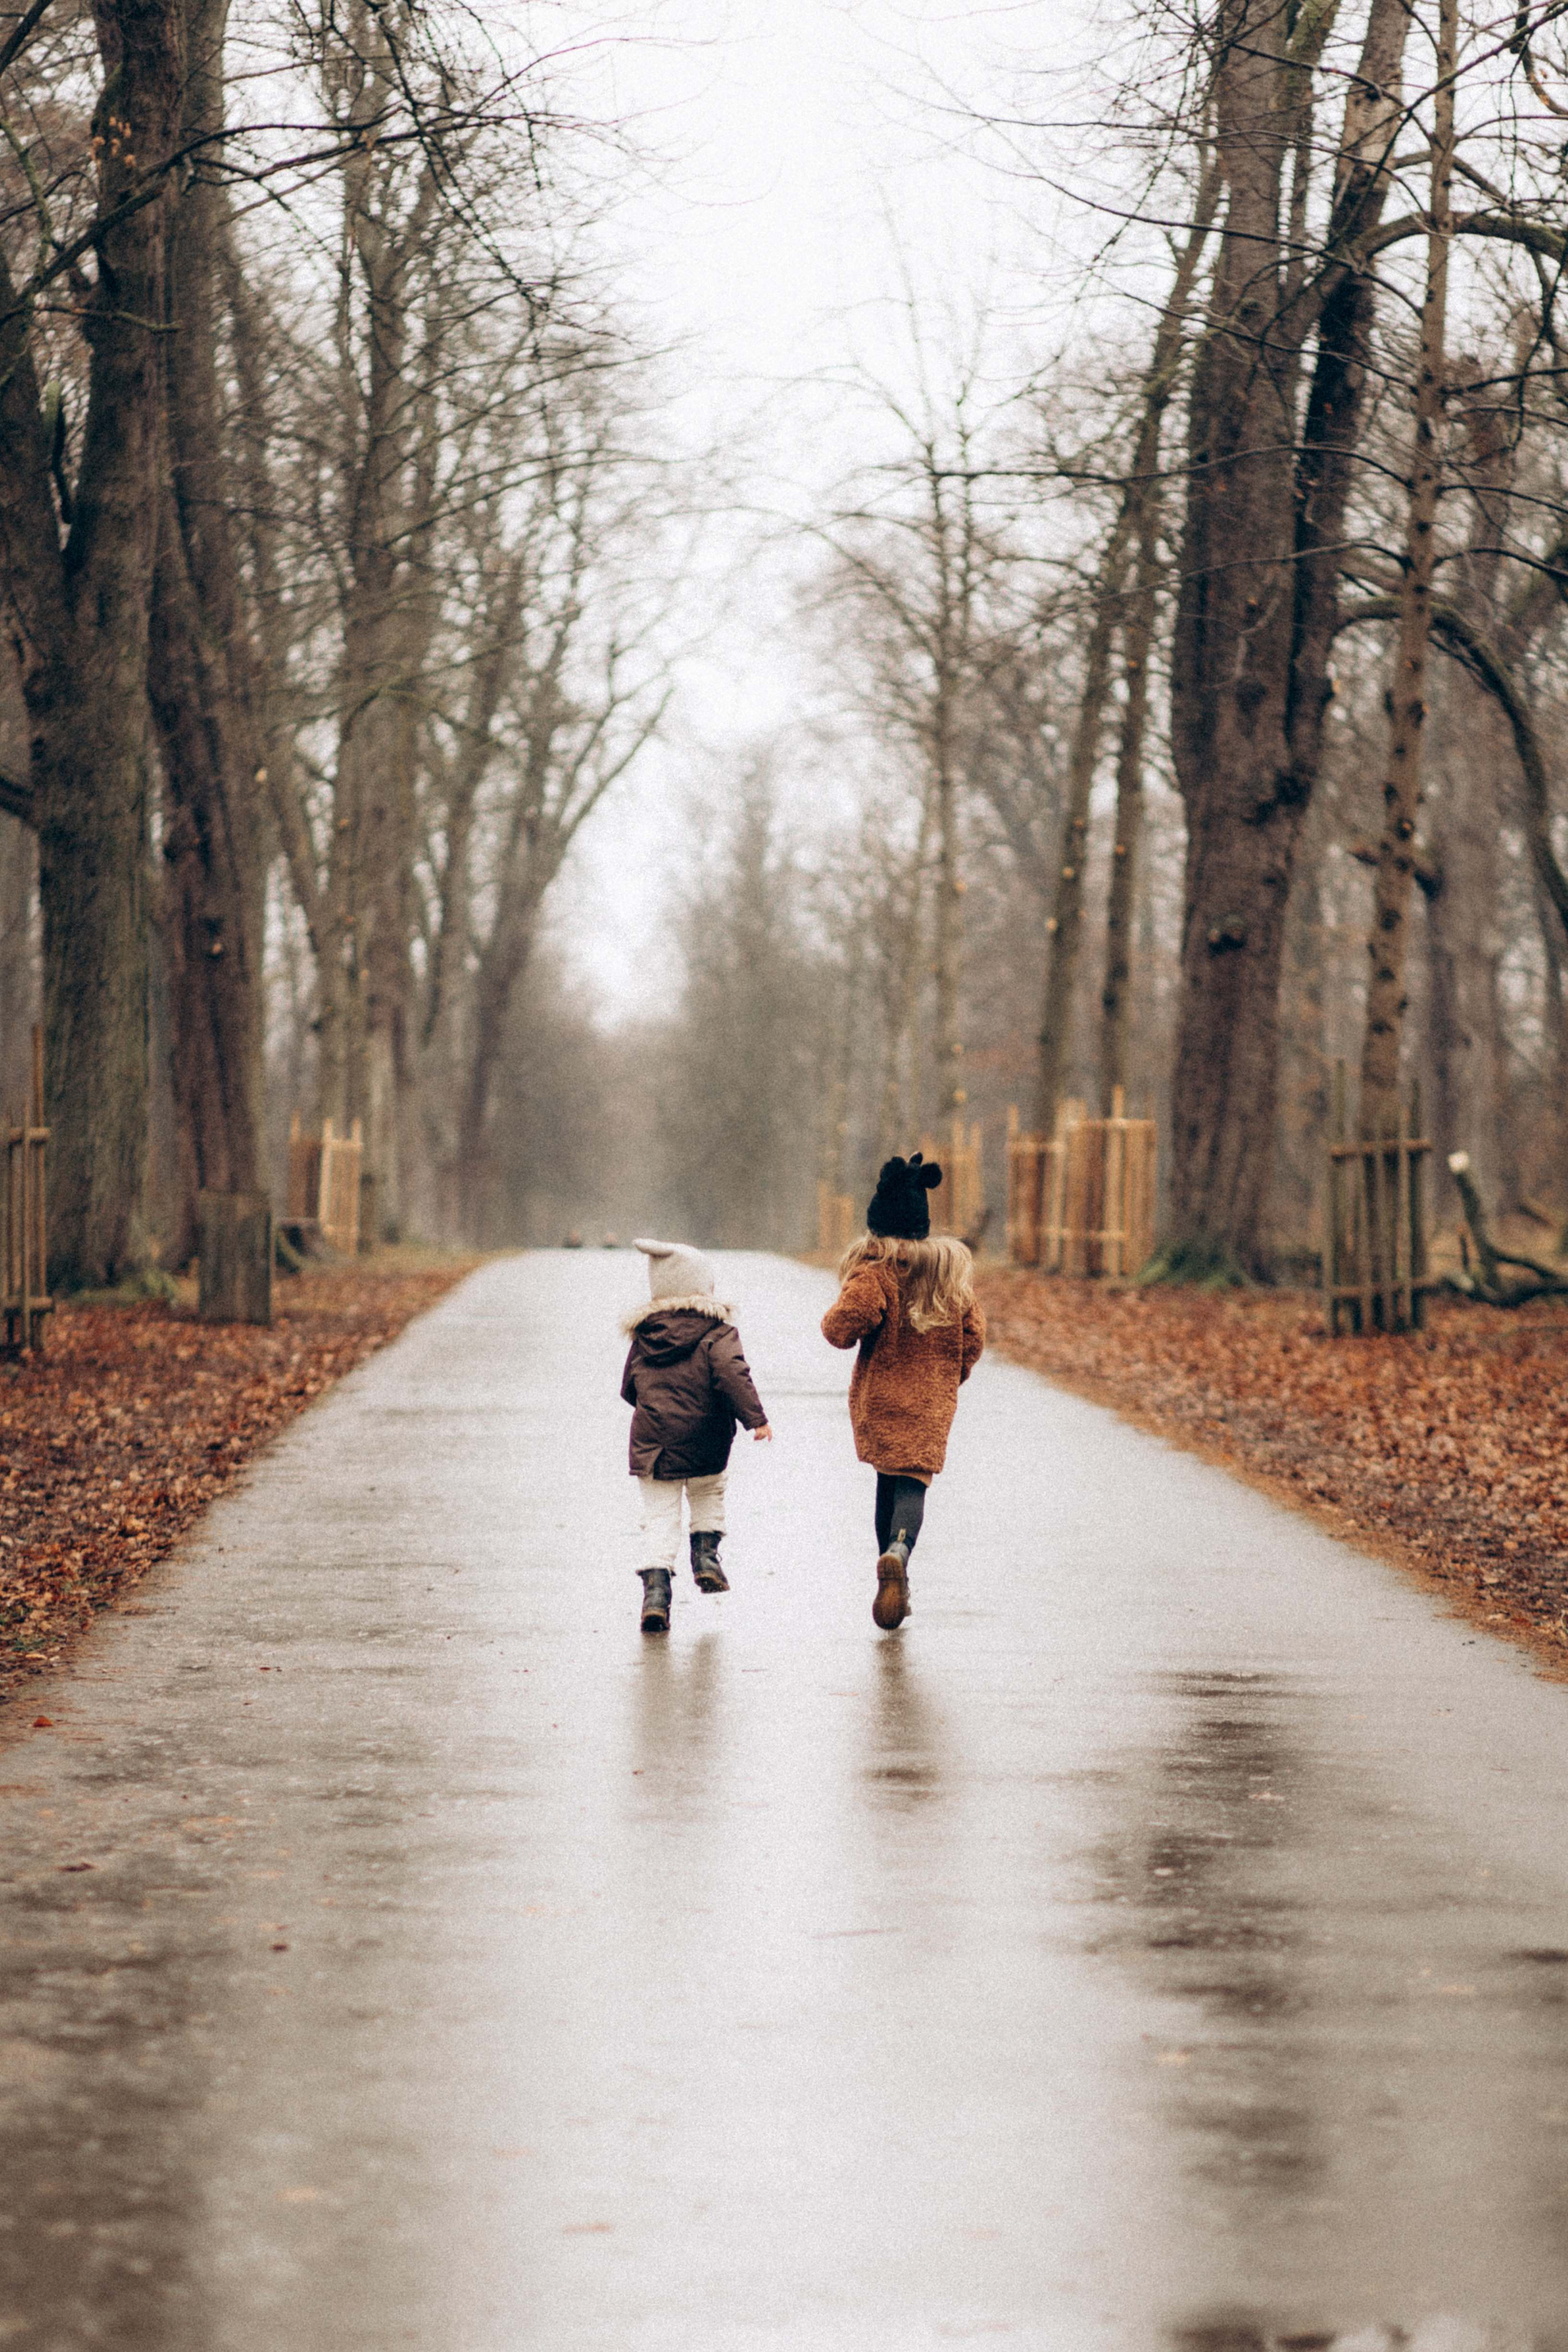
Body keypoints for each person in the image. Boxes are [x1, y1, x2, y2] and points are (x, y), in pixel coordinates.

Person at [821, 1154, 986, 1630]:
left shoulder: (874, 1274)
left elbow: (841, 1329)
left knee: (885, 1482)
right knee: (914, 1484)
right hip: (931, 1402)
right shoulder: (950, 1279)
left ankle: (890, 1573)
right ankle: (899, 1553)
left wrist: (844, 1310)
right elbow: (974, 1337)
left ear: (878, 1227)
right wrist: (953, 1373)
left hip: (882, 1399)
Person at [620, 1238, 772, 1634]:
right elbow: (733, 1376)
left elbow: (629, 1390)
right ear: (702, 1288)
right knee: (706, 1492)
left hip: (653, 1442)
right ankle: (705, 1559)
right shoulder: (719, 1334)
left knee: (658, 1517)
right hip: (706, 1434)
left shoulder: (644, 1336)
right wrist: (756, 1419)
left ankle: (656, 1596)